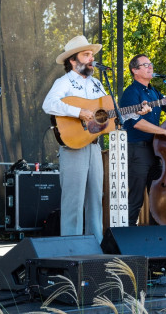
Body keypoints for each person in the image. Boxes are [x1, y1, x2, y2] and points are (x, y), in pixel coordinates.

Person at [42, 35, 106, 242]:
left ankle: (95, 245)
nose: (91, 58)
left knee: (96, 197)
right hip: (73, 146)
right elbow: (48, 104)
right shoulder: (64, 82)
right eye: (86, 54)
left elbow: (108, 113)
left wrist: (136, 112)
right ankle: (72, 246)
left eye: (92, 55)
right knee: (73, 200)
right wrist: (77, 111)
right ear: (73, 60)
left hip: (94, 146)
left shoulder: (97, 84)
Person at [119, 54, 166, 226]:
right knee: (135, 199)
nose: (150, 67)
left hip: (155, 151)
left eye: (151, 64)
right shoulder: (130, 93)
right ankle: (128, 241)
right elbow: (137, 123)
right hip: (137, 151)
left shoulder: (153, 92)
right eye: (145, 64)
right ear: (135, 70)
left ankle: (156, 239)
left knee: (157, 197)